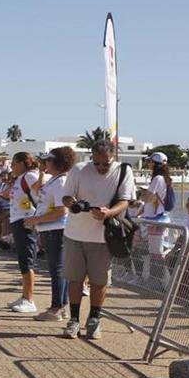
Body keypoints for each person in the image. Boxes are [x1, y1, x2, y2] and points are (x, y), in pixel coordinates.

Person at [59, 137, 137, 339]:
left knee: (99, 281)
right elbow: (66, 197)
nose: (101, 167)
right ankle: (74, 320)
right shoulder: (78, 169)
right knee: (74, 279)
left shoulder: (123, 171)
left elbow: (125, 200)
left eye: (106, 163)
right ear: (91, 157)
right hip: (74, 234)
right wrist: (74, 204)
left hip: (104, 237)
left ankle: (94, 320)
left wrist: (109, 212)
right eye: (97, 163)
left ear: (114, 156)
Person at [22, 150, 72, 320]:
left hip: (56, 230)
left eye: (49, 160)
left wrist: (36, 219)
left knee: (57, 269)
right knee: (59, 269)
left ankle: (56, 307)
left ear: (57, 163)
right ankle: (61, 305)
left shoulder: (60, 182)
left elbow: (61, 210)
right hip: (51, 229)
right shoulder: (56, 180)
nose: (45, 163)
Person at [4, 152, 44, 314]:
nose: (12, 167)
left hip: (26, 221)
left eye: (13, 163)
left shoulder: (29, 177)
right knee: (23, 260)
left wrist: (42, 173)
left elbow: (39, 190)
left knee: (27, 260)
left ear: (22, 163)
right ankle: (24, 296)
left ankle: (29, 299)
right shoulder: (21, 178)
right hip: (19, 220)